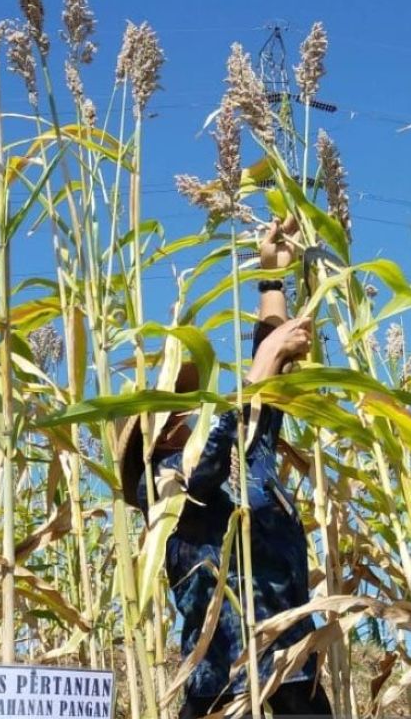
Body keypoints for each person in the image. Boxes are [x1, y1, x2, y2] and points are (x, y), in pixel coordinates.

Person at [122, 216, 332, 719]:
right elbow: (212, 454)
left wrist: (270, 278)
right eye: (186, 404)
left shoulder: (247, 461)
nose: (201, 407)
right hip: (227, 683)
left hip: (291, 671)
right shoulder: (166, 484)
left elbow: (269, 386)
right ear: (163, 431)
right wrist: (266, 363)